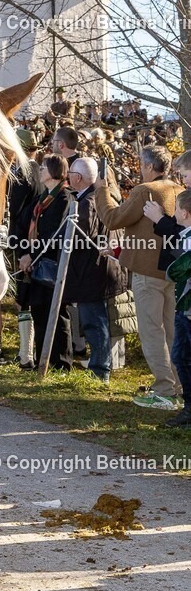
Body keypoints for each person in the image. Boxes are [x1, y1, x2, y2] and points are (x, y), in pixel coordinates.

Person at [95, 145, 183, 410]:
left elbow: (113, 219)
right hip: (172, 272)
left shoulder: (145, 191)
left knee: (151, 332)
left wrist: (102, 189)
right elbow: (152, 234)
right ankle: (178, 386)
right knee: (173, 332)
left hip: (148, 275)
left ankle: (164, 390)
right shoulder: (180, 190)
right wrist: (122, 250)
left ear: (147, 166)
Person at [63, 157, 128, 383]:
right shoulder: (94, 196)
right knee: (94, 319)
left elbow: (83, 236)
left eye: (70, 172)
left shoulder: (88, 201)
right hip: (97, 269)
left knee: (94, 321)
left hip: (92, 271)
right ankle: (100, 365)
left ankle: (100, 370)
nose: (67, 175)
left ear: (78, 178)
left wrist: (61, 240)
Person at [18, 153, 73, 370]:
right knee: (39, 312)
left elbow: (55, 233)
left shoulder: (64, 198)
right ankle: (45, 360)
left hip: (52, 264)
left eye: (44, 167)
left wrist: (33, 255)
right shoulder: (42, 199)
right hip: (35, 264)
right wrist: (24, 253)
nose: (40, 170)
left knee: (57, 314)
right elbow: (23, 223)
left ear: (55, 172)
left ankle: (62, 362)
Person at [9, 128, 42, 368]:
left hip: (23, 240)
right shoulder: (39, 170)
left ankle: (25, 354)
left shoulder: (24, 174)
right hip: (32, 241)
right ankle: (27, 352)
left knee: (23, 298)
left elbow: (15, 211)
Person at [163, 190, 191, 428]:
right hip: (183, 306)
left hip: (189, 307)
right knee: (180, 357)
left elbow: (177, 270)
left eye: (175, 210)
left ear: (184, 212)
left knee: (184, 357)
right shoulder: (185, 235)